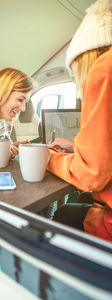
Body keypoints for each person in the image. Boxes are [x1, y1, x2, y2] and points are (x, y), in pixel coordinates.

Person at [48, 0, 112, 242]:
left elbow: (92, 174)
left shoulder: (103, 68)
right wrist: (76, 148)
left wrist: (49, 159)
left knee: (65, 213)